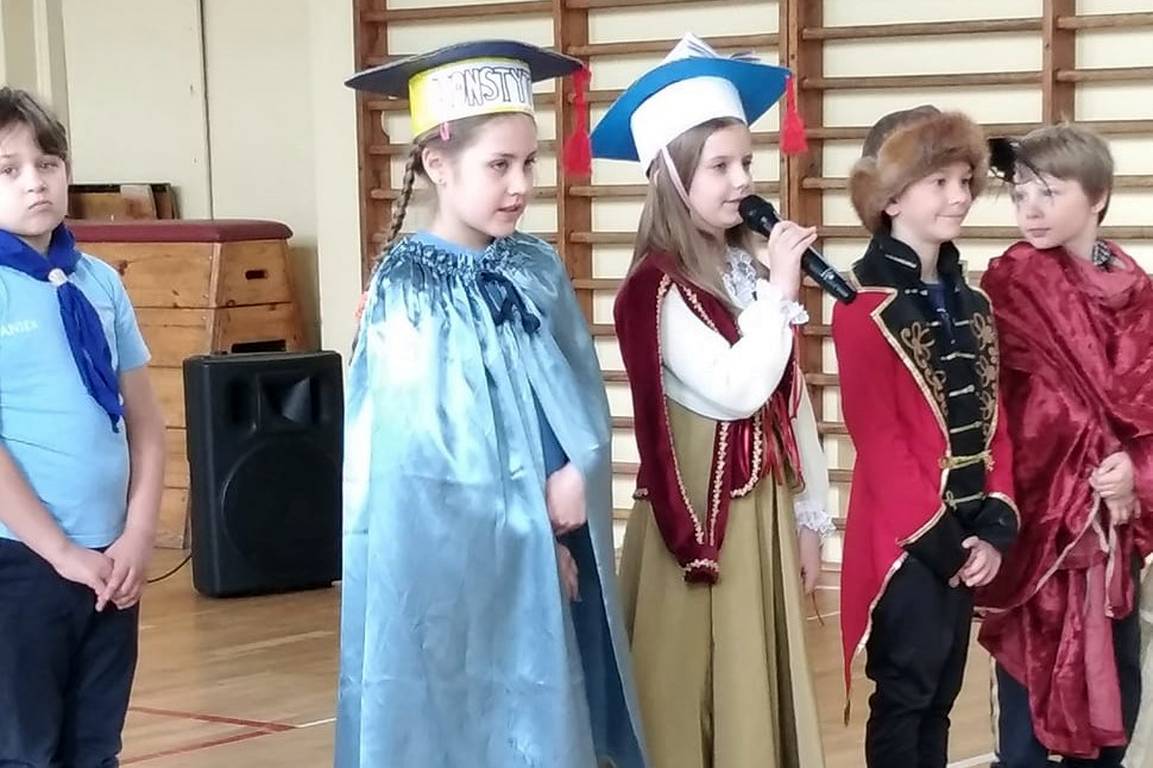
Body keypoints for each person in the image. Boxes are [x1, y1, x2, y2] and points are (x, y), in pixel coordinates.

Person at [335, 40, 647, 768]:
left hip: (553, 533)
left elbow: (575, 393)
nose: (520, 185)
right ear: (438, 165)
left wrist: (580, 469)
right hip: (474, 567)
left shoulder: (534, 266)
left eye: (529, 163)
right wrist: (533, 543)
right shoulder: (408, 293)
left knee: (550, 714)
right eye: (498, 165)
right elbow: (430, 470)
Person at [592, 33, 831, 768]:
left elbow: (789, 402)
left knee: (752, 681)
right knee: (689, 685)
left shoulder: (744, 273)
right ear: (671, 175)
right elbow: (736, 387)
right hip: (701, 518)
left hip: (759, 510)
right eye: (720, 166)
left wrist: (810, 513)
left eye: (746, 163)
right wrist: (781, 293)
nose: (742, 181)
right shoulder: (655, 288)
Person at [831, 105, 1019, 767]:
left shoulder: (976, 303)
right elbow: (881, 445)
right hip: (905, 544)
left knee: (940, 695)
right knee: (905, 695)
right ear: (889, 199)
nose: (960, 196)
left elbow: (995, 422)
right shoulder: (862, 303)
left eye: (964, 180)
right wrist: (947, 545)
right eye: (939, 182)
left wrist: (994, 527)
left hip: (966, 537)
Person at [976, 123, 1153, 768]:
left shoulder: (1139, 291)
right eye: (1020, 193)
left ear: (1098, 196)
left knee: (1116, 686)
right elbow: (1009, 408)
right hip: (1039, 523)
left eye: (1050, 192)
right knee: (1025, 709)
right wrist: (1094, 458)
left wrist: (1136, 472)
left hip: (1112, 536)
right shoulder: (1011, 283)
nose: (1031, 208)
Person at [0, 86, 166, 766]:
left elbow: (145, 423)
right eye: (8, 169)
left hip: (110, 560)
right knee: (24, 749)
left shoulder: (99, 281)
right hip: (22, 560)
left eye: (48, 163)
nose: (34, 182)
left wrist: (138, 533)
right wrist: (60, 552)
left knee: (95, 745)